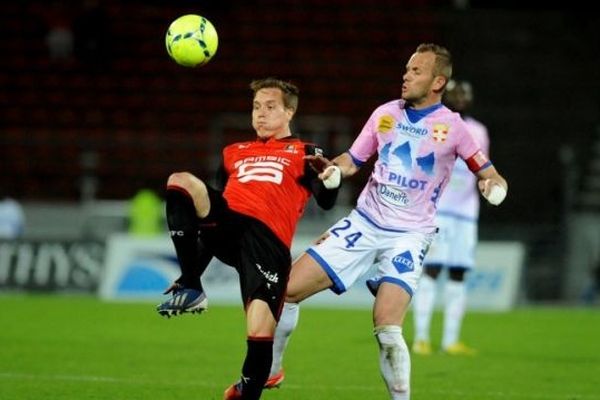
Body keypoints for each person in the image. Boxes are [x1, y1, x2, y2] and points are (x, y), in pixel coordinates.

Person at [265, 43, 508, 399]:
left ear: (438, 81)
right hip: (364, 222)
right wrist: (335, 170)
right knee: (285, 291)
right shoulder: (385, 114)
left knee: (388, 329)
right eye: (406, 70)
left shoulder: (455, 128)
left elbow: (490, 174)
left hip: (409, 235)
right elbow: (353, 158)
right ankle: (271, 371)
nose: (405, 76)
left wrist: (492, 186)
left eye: (416, 71)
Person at [156, 77, 340, 400]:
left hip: (268, 245)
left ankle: (247, 390)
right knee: (181, 182)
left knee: (258, 337)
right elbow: (208, 221)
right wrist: (194, 272)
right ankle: (190, 285)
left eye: (270, 107)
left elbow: (325, 201)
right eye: (256, 107)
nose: (260, 114)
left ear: (289, 113)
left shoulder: (305, 152)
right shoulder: (232, 153)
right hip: (231, 224)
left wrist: (332, 180)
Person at [412, 79, 490, 356]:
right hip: (439, 210)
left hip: (466, 213)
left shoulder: (480, 131)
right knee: (432, 270)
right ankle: (421, 337)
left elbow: (483, 168)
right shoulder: (434, 123)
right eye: (456, 93)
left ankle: (450, 340)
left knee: (459, 273)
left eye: (465, 94)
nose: (460, 98)